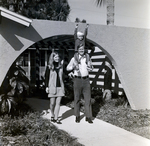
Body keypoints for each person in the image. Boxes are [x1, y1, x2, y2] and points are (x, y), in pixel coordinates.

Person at [66, 44, 93, 124]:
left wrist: (91, 68)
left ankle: (88, 117)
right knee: (77, 98)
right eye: (80, 49)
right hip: (77, 79)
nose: (81, 50)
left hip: (86, 80)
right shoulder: (74, 58)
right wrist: (73, 67)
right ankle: (77, 116)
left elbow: (92, 67)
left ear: (84, 50)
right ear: (77, 50)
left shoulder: (87, 57)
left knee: (88, 99)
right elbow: (67, 68)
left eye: (83, 49)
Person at [45, 51, 65, 124]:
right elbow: (46, 77)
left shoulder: (61, 66)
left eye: (58, 57)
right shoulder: (49, 67)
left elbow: (64, 75)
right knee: (52, 103)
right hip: (52, 87)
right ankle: (52, 115)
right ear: (52, 58)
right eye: (55, 57)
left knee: (58, 103)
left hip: (60, 87)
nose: (57, 58)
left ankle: (56, 118)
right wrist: (46, 86)